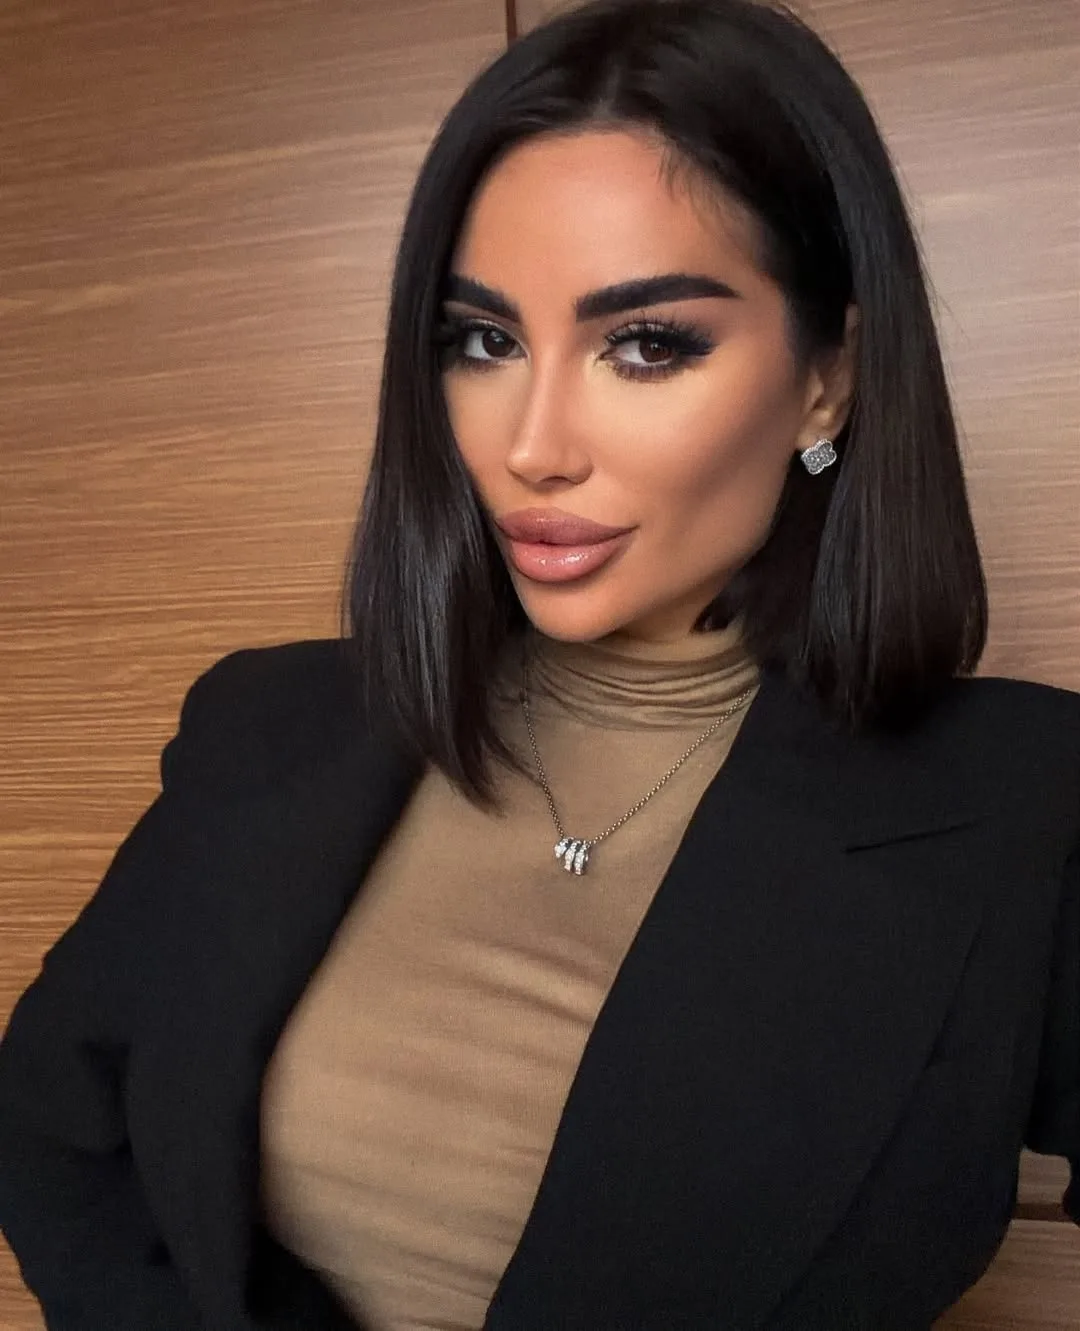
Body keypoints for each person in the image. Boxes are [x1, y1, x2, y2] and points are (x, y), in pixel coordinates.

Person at [1, 0, 1077, 1326]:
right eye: (484, 341)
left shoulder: (1026, 807)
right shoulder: (271, 722)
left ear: (827, 379)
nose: (532, 445)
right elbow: (57, 1123)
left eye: (646, 344)